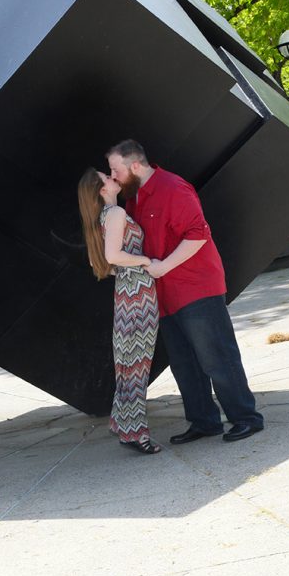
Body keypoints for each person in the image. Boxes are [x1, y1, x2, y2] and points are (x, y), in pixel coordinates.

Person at [106, 140, 263, 444]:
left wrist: (164, 266)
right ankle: (205, 422)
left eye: (116, 170)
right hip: (163, 293)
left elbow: (198, 235)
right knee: (184, 363)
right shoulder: (134, 197)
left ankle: (246, 418)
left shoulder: (173, 188)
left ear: (135, 166)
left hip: (195, 287)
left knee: (216, 355)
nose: (113, 176)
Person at [77, 167, 161, 455]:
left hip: (126, 292)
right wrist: (146, 261)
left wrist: (127, 270)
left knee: (128, 363)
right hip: (138, 294)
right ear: (102, 190)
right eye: (107, 178)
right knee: (137, 364)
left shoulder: (103, 217)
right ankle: (137, 433)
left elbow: (99, 261)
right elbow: (113, 256)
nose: (114, 179)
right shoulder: (115, 214)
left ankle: (127, 427)